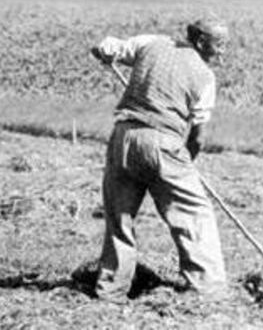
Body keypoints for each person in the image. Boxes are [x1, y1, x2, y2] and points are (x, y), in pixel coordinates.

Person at [90, 18, 230, 303]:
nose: (223, 52)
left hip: (123, 138)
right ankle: (208, 291)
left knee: (120, 217)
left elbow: (109, 46)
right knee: (195, 214)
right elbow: (198, 137)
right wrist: (186, 161)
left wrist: (104, 51)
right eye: (220, 45)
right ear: (202, 42)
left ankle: (111, 290)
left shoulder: (152, 42)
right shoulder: (204, 77)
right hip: (163, 143)